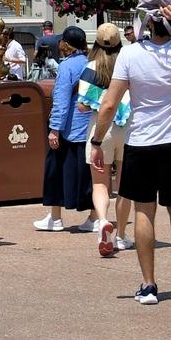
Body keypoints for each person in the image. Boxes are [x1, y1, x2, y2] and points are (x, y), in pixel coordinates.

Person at [90, 0, 171, 307]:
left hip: (142, 141)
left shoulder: (131, 54)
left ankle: (148, 285)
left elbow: (108, 104)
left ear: (147, 24)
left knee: (144, 211)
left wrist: (97, 142)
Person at [34, 25, 98, 233]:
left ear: (66, 45)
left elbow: (61, 100)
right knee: (91, 174)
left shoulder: (67, 66)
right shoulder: (92, 63)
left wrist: (54, 129)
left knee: (54, 171)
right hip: (89, 125)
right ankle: (95, 217)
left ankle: (56, 217)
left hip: (69, 127)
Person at [79, 23, 133, 257]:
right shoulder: (129, 63)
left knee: (100, 183)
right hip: (129, 127)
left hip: (100, 129)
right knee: (125, 186)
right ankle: (121, 235)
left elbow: (82, 105)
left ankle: (102, 222)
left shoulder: (91, 67)